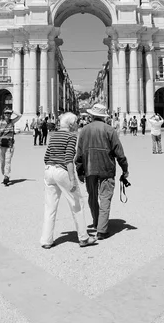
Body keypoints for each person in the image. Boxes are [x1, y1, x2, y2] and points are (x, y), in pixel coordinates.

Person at [40, 112, 97, 249]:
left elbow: (46, 156)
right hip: (62, 171)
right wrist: (72, 179)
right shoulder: (71, 136)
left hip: (49, 170)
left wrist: (51, 167)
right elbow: (68, 159)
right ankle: (83, 237)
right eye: (76, 122)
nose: (78, 124)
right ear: (71, 124)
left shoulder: (54, 135)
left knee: (50, 207)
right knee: (77, 204)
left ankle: (46, 240)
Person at [75, 103, 129, 240]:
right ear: (104, 117)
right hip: (107, 168)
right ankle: (102, 230)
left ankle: (96, 222)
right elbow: (119, 153)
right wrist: (125, 169)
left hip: (89, 168)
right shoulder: (110, 130)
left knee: (92, 197)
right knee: (105, 198)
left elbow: (79, 154)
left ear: (92, 115)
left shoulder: (84, 131)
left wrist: (80, 172)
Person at [0, 108, 21, 186]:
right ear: (4, 114)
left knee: (8, 161)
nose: (7, 115)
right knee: (2, 162)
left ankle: (6, 176)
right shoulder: (1, 123)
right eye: (6, 113)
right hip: (1, 145)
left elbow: (20, 115)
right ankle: (4, 174)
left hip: (9, 145)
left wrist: (12, 111)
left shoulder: (12, 122)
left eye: (8, 113)